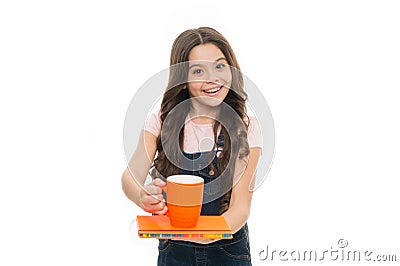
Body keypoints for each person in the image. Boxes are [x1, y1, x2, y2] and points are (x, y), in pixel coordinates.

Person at [122, 27, 262, 265]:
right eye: (198, 71)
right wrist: (142, 195)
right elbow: (130, 178)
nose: (212, 79)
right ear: (183, 81)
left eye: (219, 66)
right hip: (176, 253)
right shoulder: (161, 121)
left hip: (227, 252)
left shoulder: (245, 126)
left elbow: (241, 208)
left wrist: (203, 234)